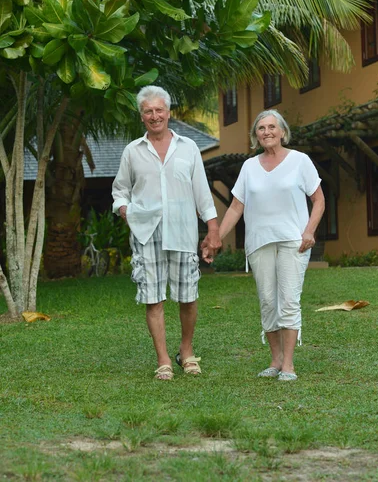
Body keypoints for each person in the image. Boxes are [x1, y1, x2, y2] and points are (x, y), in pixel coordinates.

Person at [204, 110, 325, 382]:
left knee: (288, 300)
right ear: (255, 136)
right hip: (259, 242)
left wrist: (309, 231)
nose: (267, 132)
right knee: (268, 302)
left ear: (282, 132)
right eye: (261, 128)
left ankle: (289, 365)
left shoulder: (300, 161)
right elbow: (236, 207)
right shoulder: (249, 167)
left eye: (272, 127)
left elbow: (319, 200)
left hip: (293, 240)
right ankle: (275, 360)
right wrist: (216, 238)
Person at [112, 86, 221, 380]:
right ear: (142, 116)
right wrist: (124, 209)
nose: (154, 115)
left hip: (183, 231)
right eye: (148, 111)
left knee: (187, 295)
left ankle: (186, 351)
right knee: (153, 297)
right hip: (146, 232)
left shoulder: (188, 148)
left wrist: (213, 229)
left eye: (159, 110)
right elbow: (120, 189)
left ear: (169, 113)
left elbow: (202, 193)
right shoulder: (132, 151)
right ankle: (163, 360)